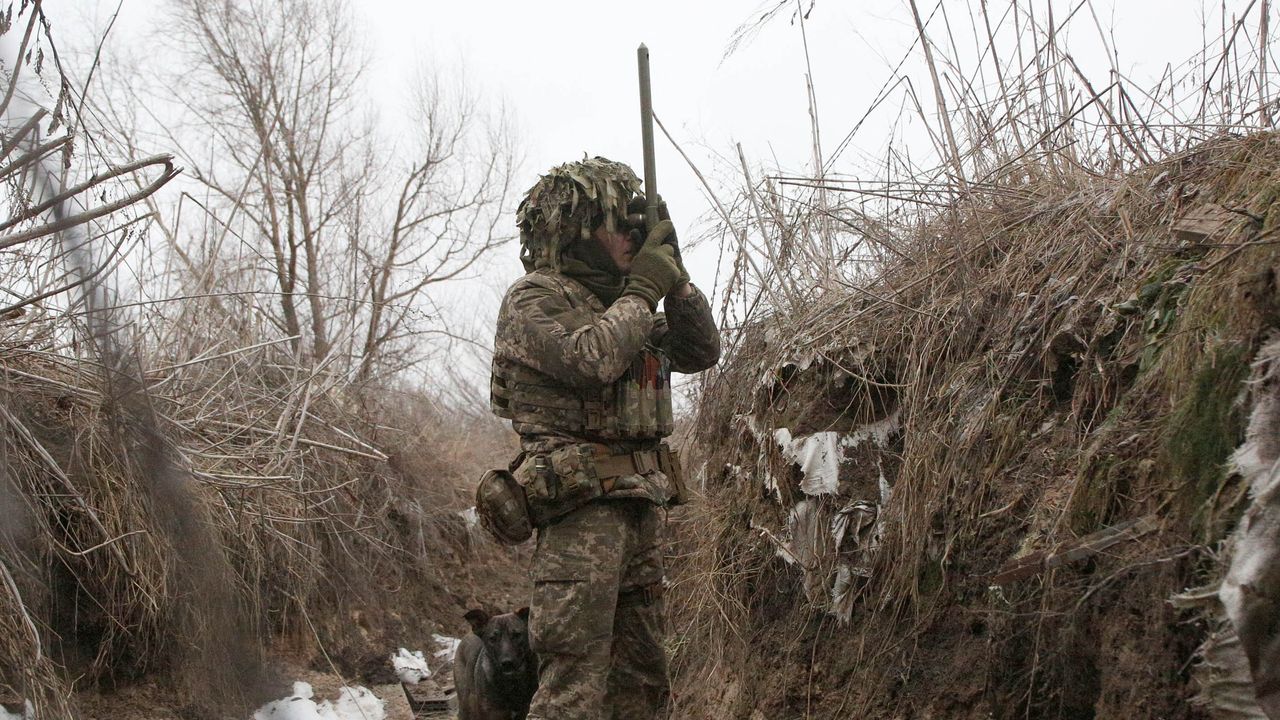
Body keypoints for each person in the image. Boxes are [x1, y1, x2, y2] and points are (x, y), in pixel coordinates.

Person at [488, 156, 720, 719]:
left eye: (637, 226)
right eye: (618, 224)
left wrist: (677, 279)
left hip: (638, 509)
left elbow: (700, 351)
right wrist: (642, 289)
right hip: (578, 517)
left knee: (642, 678)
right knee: (574, 683)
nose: (631, 237)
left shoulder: (623, 307)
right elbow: (591, 359)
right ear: (576, 231)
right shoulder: (535, 300)